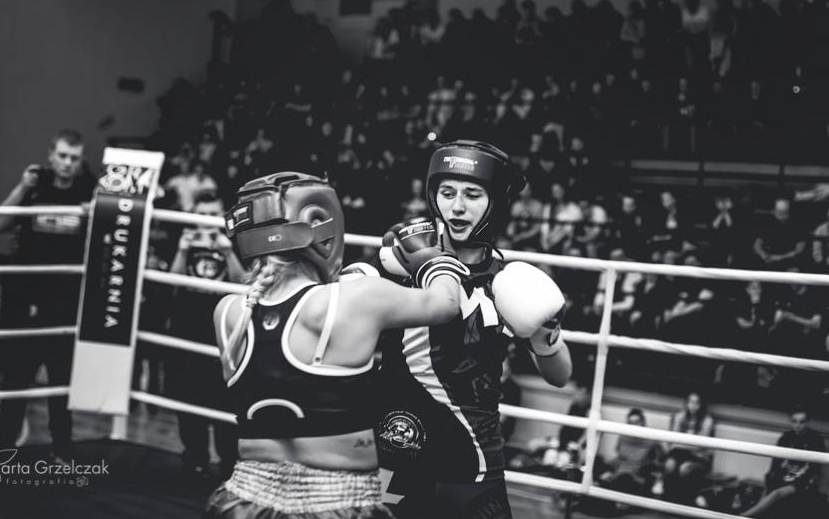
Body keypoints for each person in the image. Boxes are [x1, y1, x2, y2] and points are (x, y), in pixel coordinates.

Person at [205, 172, 464, 518]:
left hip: (243, 498)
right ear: (321, 224)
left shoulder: (228, 312)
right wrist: (434, 256)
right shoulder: (356, 298)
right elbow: (445, 304)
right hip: (337, 501)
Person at [374, 140, 573, 519]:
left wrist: (544, 333)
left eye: (472, 194)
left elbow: (560, 376)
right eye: (447, 193)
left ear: (496, 202)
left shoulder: (508, 283)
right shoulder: (401, 262)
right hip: (398, 448)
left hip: (475, 461)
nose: (457, 207)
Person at [0, 130, 95, 460]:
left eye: (74, 158)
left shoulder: (89, 189)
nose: (67, 163)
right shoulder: (35, 186)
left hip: (65, 297)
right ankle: (4, 443)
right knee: (17, 373)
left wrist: (96, 212)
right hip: (26, 295)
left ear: (81, 161)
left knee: (61, 376)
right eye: (62, 155)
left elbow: (108, 235)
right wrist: (22, 187)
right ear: (51, 154)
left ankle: (62, 444)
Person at [168, 190, 246, 480]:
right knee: (189, 399)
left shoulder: (233, 241)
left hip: (222, 330)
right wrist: (182, 250)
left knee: (225, 399)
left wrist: (227, 252)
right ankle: (195, 459)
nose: (207, 221)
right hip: (187, 329)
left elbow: (243, 284)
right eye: (202, 215)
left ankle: (229, 464)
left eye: (213, 215)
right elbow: (172, 284)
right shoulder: (183, 239)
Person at [740, 405, 826, 517]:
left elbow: (815, 468)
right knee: (767, 492)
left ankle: (743, 516)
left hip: (802, 480)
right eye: (794, 421)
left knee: (775, 494)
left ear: (808, 421)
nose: (797, 425)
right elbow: (775, 463)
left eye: (802, 422)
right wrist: (771, 478)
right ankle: (752, 514)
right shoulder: (786, 437)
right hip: (784, 475)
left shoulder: (816, 439)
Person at [655, 392, 716, 504]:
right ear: (686, 403)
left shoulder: (707, 420)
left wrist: (682, 443)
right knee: (669, 465)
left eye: (697, 403)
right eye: (691, 402)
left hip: (698, 457)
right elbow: (674, 437)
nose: (693, 405)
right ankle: (667, 501)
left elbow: (700, 444)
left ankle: (683, 502)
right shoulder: (680, 416)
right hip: (679, 453)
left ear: (702, 405)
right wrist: (684, 443)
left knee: (685, 468)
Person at [598, 408, 664, 507]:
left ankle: (616, 503)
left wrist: (649, 467)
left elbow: (661, 459)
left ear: (643, 423)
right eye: (631, 423)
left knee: (625, 481)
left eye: (637, 422)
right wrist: (609, 470)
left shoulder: (651, 440)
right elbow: (620, 457)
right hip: (619, 473)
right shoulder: (623, 437)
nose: (634, 426)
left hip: (637, 477)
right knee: (598, 463)